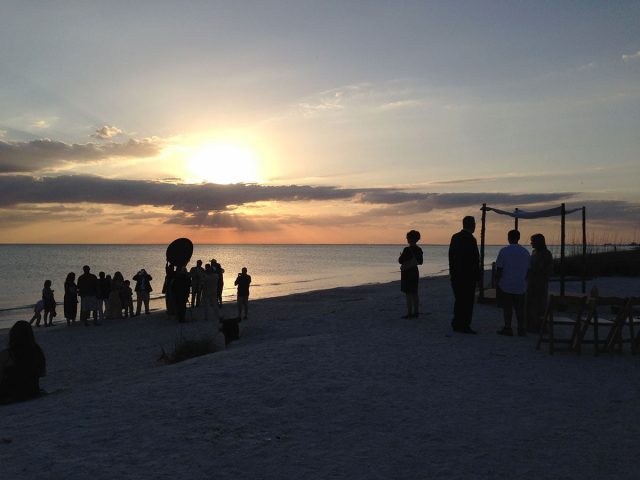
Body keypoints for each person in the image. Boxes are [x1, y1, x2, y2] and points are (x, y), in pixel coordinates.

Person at [0, 321, 46, 404]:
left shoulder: (7, 355)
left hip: (9, 394)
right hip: (32, 391)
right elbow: (42, 373)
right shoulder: (37, 351)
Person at [495, 230, 531, 336]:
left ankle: (508, 327)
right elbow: (528, 269)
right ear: (518, 238)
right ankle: (521, 328)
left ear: (508, 238)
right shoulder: (525, 252)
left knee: (508, 307)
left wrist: (496, 280)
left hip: (507, 283)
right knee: (519, 307)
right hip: (520, 284)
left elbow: (500, 268)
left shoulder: (504, 251)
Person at [448, 216, 481, 334]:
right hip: (467, 276)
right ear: (472, 225)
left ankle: (456, 322)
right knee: (467, 302)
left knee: (459, 300)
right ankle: (464, 324)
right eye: (474, 223)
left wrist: (452, 272)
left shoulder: (455, 237)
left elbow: (451, 256)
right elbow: (475, 260)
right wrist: (477, 277)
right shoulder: (471, 239)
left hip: (456, 275)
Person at [526, 233, 554, 334]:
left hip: (541, 283)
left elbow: (548, 270)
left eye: (532, 241)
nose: (531, 243)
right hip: (531, 282)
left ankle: (540, 326)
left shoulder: (546, 254)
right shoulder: (534, 252)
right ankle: (531, 325)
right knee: (530, 304)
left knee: (540, 305)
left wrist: (536, 271)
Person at [398, 230, 424, 318]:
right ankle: (416, 312)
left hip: (407, 272)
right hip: (415, 271)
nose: (407, 239)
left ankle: (409, 313)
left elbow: (400, 261)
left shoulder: (407, 249)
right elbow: (420, 262)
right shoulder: (419, 249)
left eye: (407, 237)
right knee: (415, 293)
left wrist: (403, 257)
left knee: (408, 293)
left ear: (410, 239)